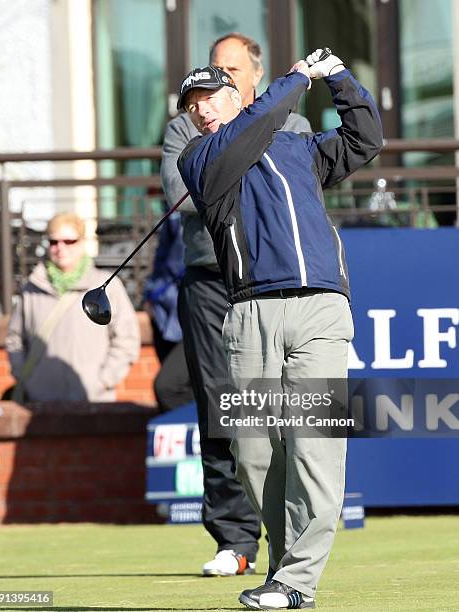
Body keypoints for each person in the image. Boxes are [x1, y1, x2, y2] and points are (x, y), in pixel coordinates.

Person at [177, 49, 383, 609]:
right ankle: (282, 568)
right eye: (192, 106)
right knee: (254, 454)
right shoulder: (200, 158)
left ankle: (296, 581)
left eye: (210, 99)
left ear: (236, 95)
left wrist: (337, 77)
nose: (201, 112)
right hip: (250, 317)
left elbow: (365, 137)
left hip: (320, 310)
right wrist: (296, 80)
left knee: (314, 447)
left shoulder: (301, 147)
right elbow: (251, 128)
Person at [161, 32, 312, 577]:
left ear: (254, 75)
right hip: (210, 278)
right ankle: (235, 537)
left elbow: (303, 187)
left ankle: (293, 530)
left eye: (230, 69)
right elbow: (188, 185)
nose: (216, 80)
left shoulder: (290, 122)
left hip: (274, 279)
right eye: (211, 69)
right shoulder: (187, 124)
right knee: (221, 406)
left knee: (287, 405)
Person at [6, 213, 140, 402]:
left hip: (93, 401)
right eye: (54, 242)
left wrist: (103, 381)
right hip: (40, 403)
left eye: (69, 241)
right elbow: (15, 339)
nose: (60, 248)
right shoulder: (31, 288)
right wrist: (26, 378)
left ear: (82, 242)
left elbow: (127, 339)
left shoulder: (106, 285)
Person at [142, 212, 193, 411]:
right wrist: (151, 295)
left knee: (168, 387)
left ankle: (205, 438)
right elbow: (163, 258)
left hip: (200, 311)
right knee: (180, 388)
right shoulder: (174, 210)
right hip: (165, 314)